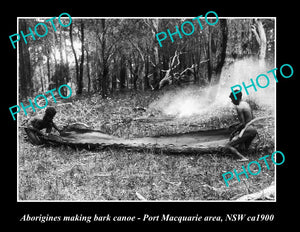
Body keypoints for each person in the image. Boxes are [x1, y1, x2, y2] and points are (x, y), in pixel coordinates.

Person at [225, 90, 257, 161]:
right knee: (242, 149)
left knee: (228, 146)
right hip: (253, 129)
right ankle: (246, 155)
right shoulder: (246, 104)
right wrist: (234, 125)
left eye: (232, 99)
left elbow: (243, 124)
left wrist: (234, 132)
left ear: (236, 98)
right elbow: (249, 119)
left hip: (248, 130)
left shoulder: (239, 107)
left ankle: (243, 158)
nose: (232, 101)